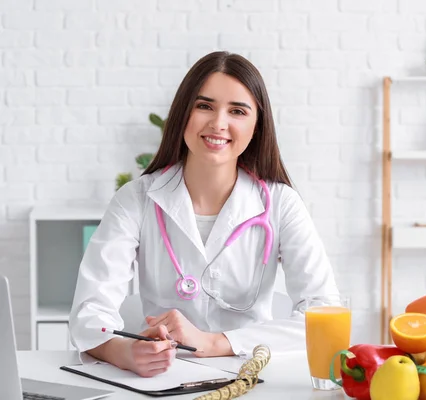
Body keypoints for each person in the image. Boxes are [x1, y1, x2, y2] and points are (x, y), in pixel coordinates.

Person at [68, 51, 340, 377]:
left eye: (237, 111)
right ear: (183, 113)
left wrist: (214, 342)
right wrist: (124, 352)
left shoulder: (281, 204)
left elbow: (327, 316)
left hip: (252, 377)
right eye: (204, 106)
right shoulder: (136, 200)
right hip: (161, 378)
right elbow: (89, 313)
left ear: (257, 126)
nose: (218, 123)